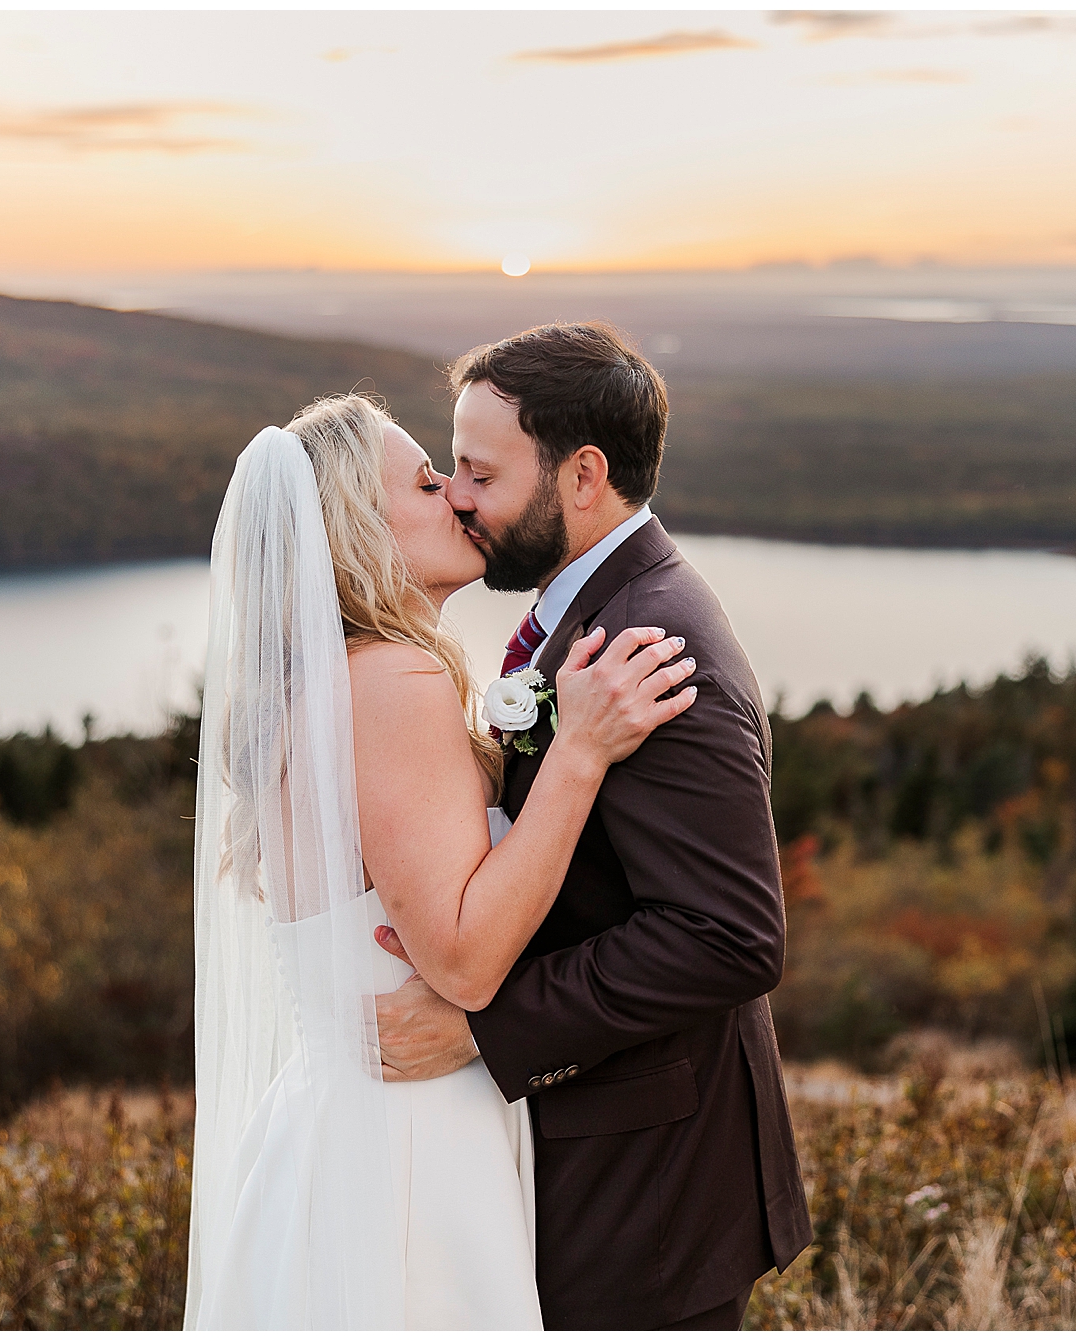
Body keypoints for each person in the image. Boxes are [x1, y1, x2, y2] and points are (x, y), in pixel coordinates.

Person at [185, 394, 696, 1328]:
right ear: (357, 527)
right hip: (409, 1149)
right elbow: (461, 958)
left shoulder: (331, 681)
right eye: (427, 481)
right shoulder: (391, 679)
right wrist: (577, 753)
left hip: (343, 1126)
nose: (459, 498)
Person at [374, 322, 814, 1330]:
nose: (456, 496)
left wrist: (489, 1028)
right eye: (450, 469)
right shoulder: (583, 617)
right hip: (614, 1161)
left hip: (651, 1186)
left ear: (581, 476)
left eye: (480, 472)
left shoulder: (652, 650)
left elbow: (728, 936)